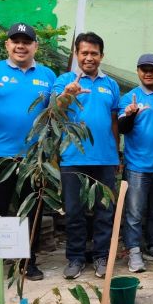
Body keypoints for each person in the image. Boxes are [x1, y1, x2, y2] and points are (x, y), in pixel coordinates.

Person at [0, 23, 56, 290]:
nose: (20, 46)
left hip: (34, 158)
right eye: (15, 41)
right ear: (7, 45)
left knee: (32, 210)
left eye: (26, 41)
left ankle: (28, 262)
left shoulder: (48, 75)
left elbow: (56, 113)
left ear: (35, 46)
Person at [53, 32, 120, 279]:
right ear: (76, 55)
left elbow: (114, 121)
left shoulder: (110, 85)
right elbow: (55, 112)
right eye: (84, 53)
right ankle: (75, 258)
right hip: (72, 158)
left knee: (105, 211)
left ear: (101, 56)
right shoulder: (64, 81)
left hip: (105, 159)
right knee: (74, 211)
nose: (89, 57)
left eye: (94, 53)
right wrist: (68, 94)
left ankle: (101, 256)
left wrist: (116, 153)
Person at [118, 52, 153, 273]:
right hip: (137, 167)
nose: (148, 73)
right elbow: (123, 127)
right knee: (134, 213)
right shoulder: (129, 98)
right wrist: (131, 114)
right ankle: (133, 251)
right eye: (144, 69)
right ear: (138, 71)